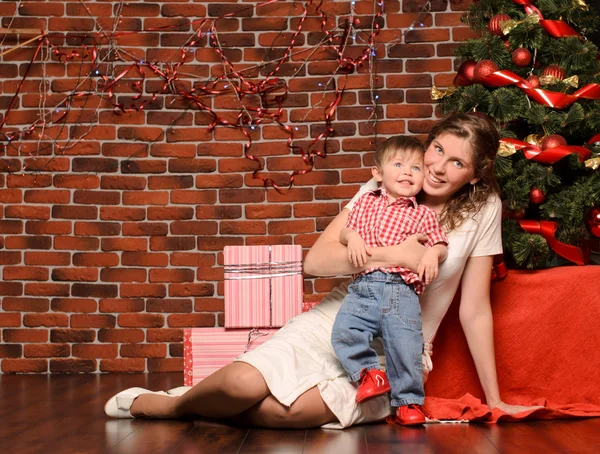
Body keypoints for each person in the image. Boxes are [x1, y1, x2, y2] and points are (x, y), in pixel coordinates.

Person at [104, 112, 537, 429]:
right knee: (238, 385)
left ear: (476, 175)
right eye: (437, 150)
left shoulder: (484, 208)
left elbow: (475, 309)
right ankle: (174, 406)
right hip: (338, 319)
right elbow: (315, 262)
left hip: (398, 348)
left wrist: (495, 399)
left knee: (283, 411)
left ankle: (200, 405)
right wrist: (395, 255)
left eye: (457, 162)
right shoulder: (384, 185)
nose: (439, 167)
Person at [332, 135, 448, 426]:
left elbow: (440, 243)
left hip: (401, 293)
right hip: (363, 289)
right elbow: (345, 232)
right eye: (398, 164)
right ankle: (370, 374)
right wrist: (354, 237)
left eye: (416, 167)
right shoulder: (364, 204)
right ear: (378, 173)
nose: (407, 172)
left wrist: (433, 255)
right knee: (344, 332)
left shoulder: (423, 214)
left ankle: (409, 404)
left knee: (406, 348)